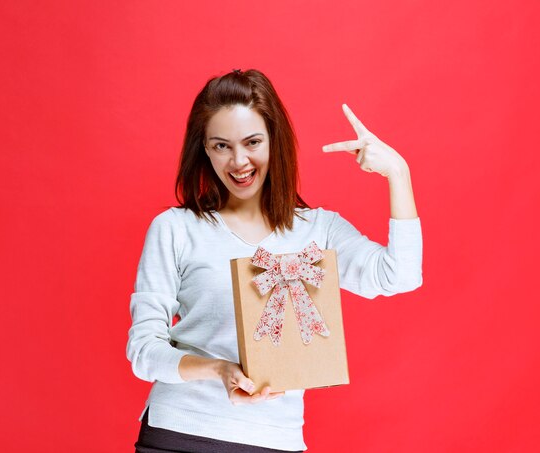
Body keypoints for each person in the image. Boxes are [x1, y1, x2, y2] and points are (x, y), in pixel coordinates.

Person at [127, 68, 423, 453]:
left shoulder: (318, 230)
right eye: (221, 146)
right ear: (203, 149)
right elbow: (144, 352)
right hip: (182, 432)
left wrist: (398, 174)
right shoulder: (175, 228)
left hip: (275, 439)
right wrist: (219, 370)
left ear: (274, 141)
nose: (238, 161)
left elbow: (399, 276)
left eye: (252, 142)